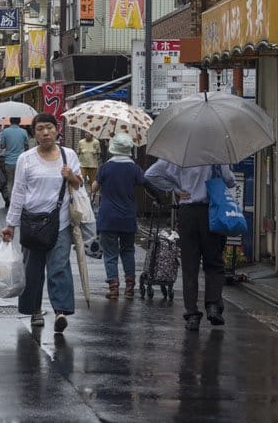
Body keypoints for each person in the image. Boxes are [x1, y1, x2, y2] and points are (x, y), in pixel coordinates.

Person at [0, 112, 82, 334]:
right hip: (32, 222)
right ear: (34, 133)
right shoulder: (25, 159)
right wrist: (10, 224)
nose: (45, 133)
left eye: (49, 128)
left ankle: (60, 312)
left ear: (57, 130)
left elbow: (79, 183)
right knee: (33, 269)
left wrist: (70, 176)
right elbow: (18, 192)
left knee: (59, 267)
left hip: (60, 222)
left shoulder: (69, 155)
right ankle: (35, 310)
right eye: (40, 129)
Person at [144, 159, 236, 331]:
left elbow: (150, 175)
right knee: (214, 262)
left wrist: (176, 189)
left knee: (190, 265)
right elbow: (229, 180)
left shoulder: (179, 154)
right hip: (211, 211)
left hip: (187, 213)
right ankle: (213, 306)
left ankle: (192, 315)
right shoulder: (216, 154)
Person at [92, 132, 145, 300]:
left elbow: (93, 188)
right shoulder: (134, 168)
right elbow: (144, 182)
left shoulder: (106, 167)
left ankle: (113, 288)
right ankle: (130, 287)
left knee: (110, 253)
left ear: (113, 148)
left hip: (108, 217)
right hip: (128, 217)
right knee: (128, 250)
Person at [0, 117, 30, 206]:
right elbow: (27, 146)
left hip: (9, 161)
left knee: (10, 181)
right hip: (21, 161)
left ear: (10, 122)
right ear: (20, 122)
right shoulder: (24, 132)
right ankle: (19, 200)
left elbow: (2, 146)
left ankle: (9, 200)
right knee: (20, 181)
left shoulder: (5, 131)